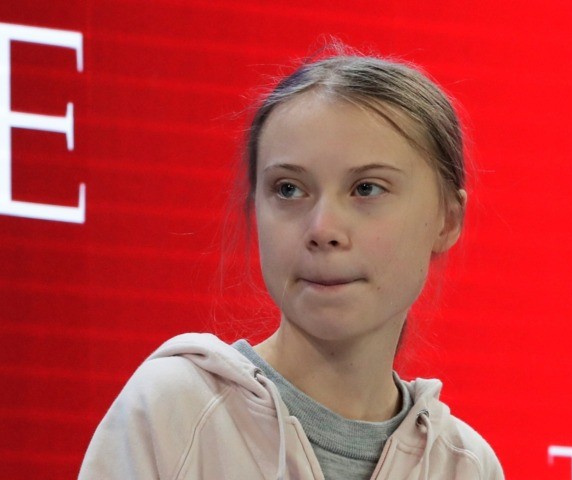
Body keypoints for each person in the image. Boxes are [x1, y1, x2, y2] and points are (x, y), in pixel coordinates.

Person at [79, 49, 504, 479]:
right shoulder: (174, 410)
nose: (323, 228)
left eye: (367, 188)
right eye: (288, 189)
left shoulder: (465, 465)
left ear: (448, 220)